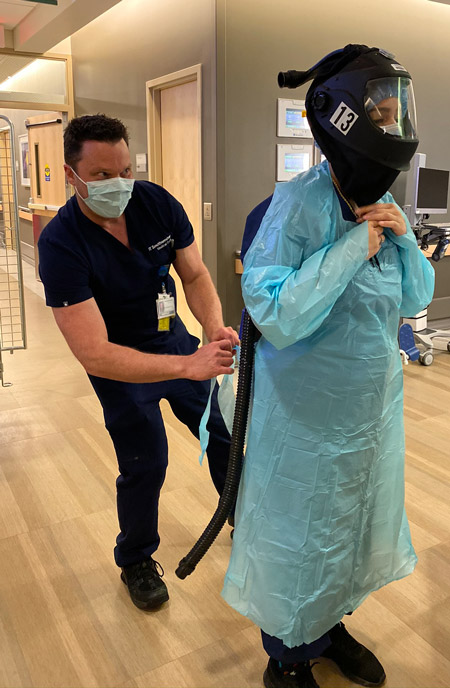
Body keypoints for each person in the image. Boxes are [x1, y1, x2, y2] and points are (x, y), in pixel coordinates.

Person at [221, 45, 435, 688]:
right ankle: (286, 659)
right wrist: (349, 249)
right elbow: (274, 310)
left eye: (400, 111)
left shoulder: (382, 205)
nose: (395, 124)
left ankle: (331, 627)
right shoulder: (295, 208)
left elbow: (414, 298)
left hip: (369, 420)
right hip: (305, 428)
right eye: (384, 110)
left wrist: (401, 239)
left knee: (352, 530)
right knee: (300, 539)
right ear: (345, 118)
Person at [37, 114, 239, 611]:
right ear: (72, 175)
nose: (119, 184)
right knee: (146, 462)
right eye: (103, 176)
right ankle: (135, 559)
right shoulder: (61, 245)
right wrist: (188, 367)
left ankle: (242, 514)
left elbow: (193, 275)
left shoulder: (155, 203)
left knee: (226, 433)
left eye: (126, 170)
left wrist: (212, 328)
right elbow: (94, 352)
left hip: (174, 340)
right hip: (119, 365)